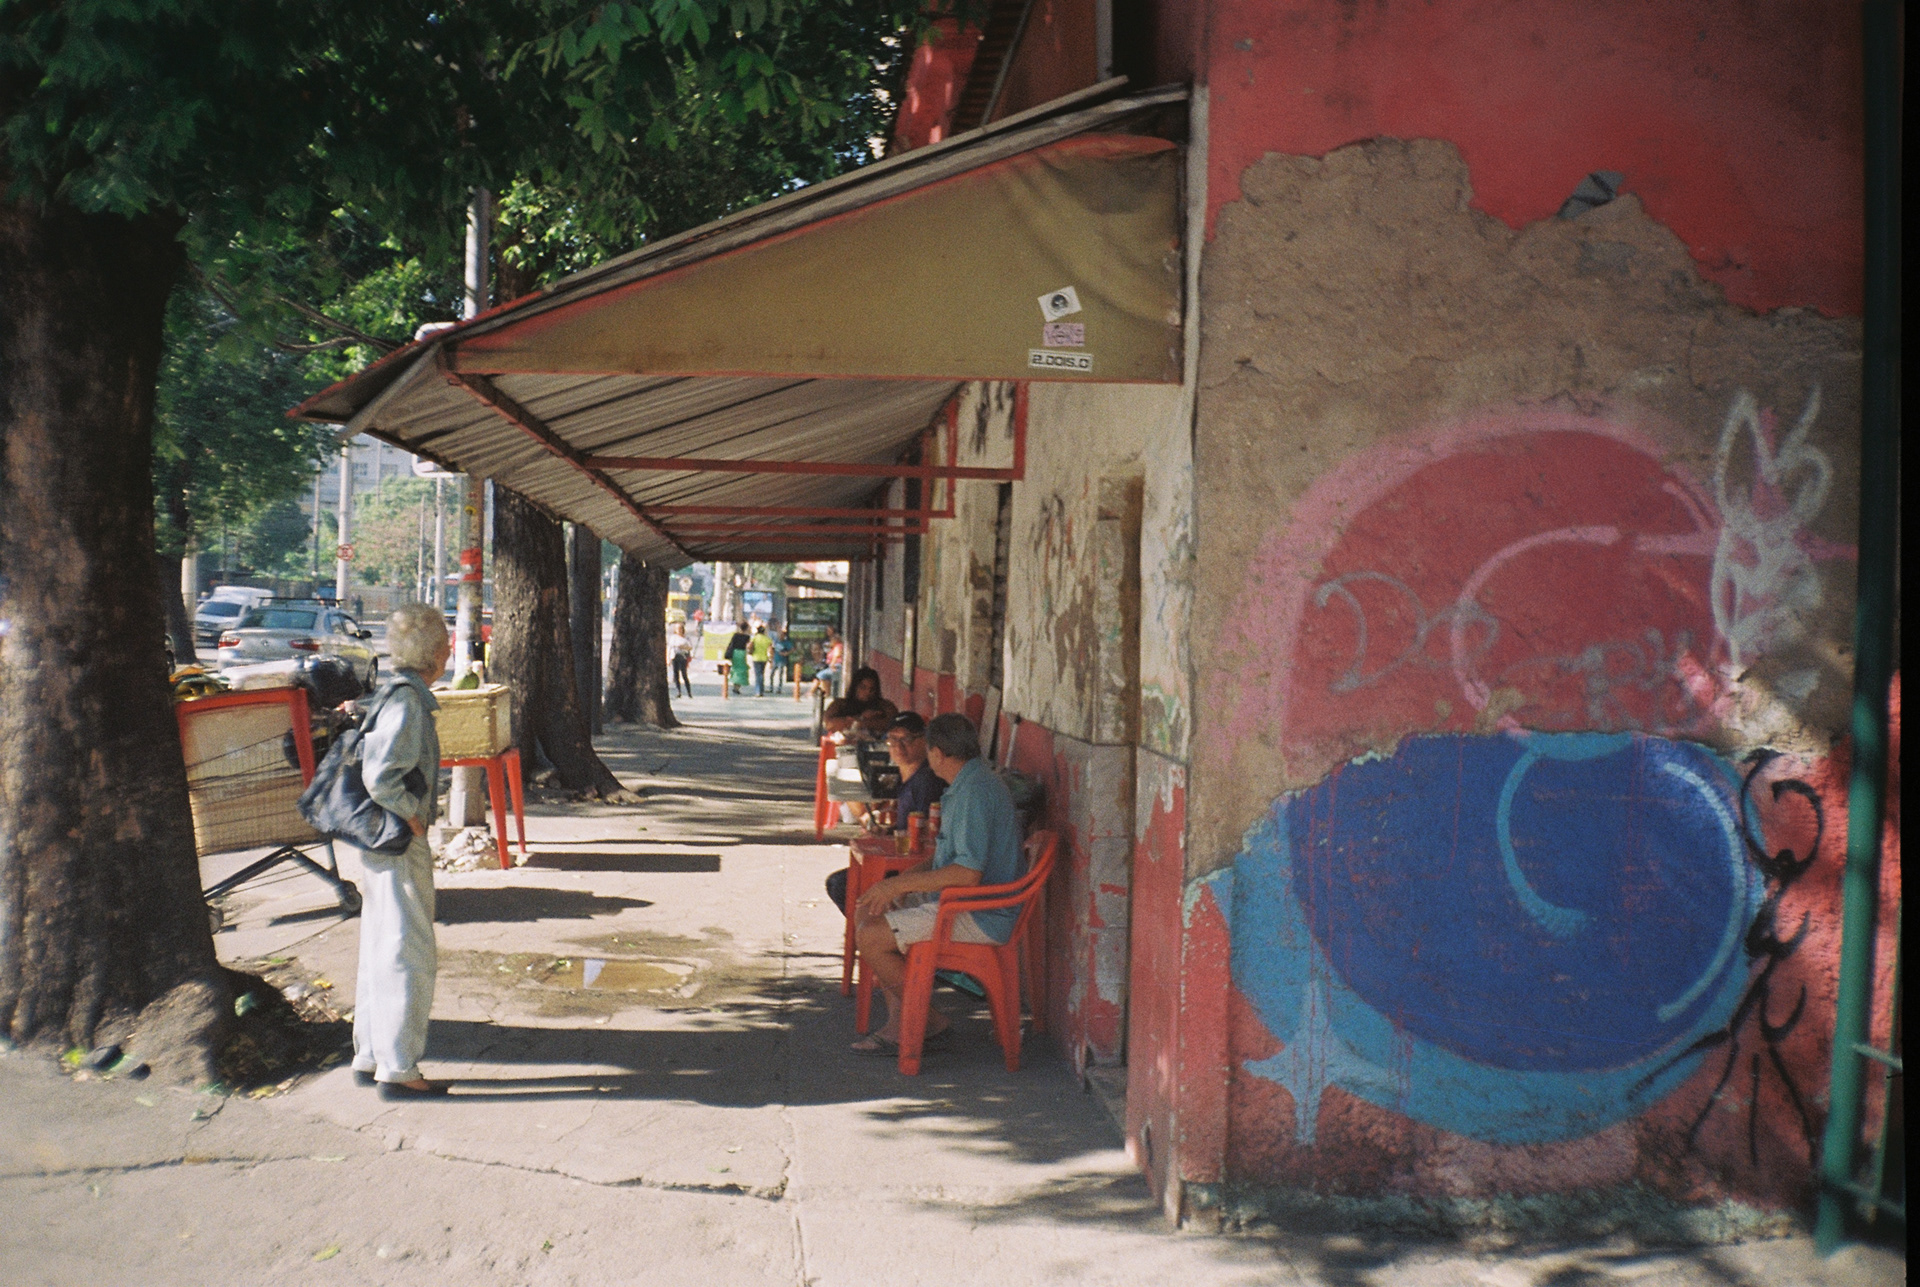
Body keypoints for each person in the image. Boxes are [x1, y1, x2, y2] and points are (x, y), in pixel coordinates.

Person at [852, 713, 1023, 1054]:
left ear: (938, 754)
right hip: (962, 901)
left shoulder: (974, 793)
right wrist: (905, 880)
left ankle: (926, 1020)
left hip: (980, 912)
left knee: (871, 936)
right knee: (867, 912)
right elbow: (948, 858)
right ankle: (902, 1021)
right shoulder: (967, 783)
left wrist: (898, 887)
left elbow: (967, 874)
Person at [349, 602, 453, 1099]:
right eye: (446, 644)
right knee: (408, 951)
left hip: (380, 840)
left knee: (381, 944)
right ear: (436, 654)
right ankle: (399, 1068)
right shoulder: (410, 703)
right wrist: (412, 813)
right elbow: (382, 776)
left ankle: (372, 1055)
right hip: (398, 839)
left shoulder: (395, 693)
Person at [826, 713, 946, 914]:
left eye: (906, 739)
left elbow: (927, 834)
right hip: (903, 860)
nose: (898, 746)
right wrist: (888, 831)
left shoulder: (926, 781)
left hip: (915, 867)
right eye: (892, 739)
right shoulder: (906, 776)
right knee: (838, 882)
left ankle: (878, 927)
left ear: (923, 741)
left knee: (840, 885)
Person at [822, 666, 897, 739]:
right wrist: (860, 718)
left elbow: (892, 724)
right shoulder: (840, 704)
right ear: (855, 687)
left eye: (872, 689)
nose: (868, 692)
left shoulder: (885, 706)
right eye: (863, 687)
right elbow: (829, 724)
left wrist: (864, 723)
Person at [668, 621, 693, 698]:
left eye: (680, 628)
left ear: (683, 629)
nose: (679, 630)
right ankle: (678, 691)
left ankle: (689, 692)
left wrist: (683, 647)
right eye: (677, 629)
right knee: (676, 675)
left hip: (682, 657)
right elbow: (669, 648)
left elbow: (690, 647)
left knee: (684, 674)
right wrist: (668, 658)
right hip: (674, 656)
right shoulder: (673, 637)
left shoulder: (686, 638)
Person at [725, 621, 750, 695]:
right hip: (742, 653)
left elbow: (731, 644)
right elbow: (748, 646)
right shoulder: (747, 637)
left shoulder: (735, 635)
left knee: (735, 669)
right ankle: (737, 687)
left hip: (735, 653)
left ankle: (735, 685)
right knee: (741, 670)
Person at [748, 623, 774, 696]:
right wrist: (771, 659)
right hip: (764, 658)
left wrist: (750, 651)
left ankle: (758, 691)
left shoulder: (754, 638)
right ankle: (761, 690)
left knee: (758, 675)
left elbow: (749, 646)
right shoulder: (767, 639)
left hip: (756, 657)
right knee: (762, 674)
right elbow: (770, 650)